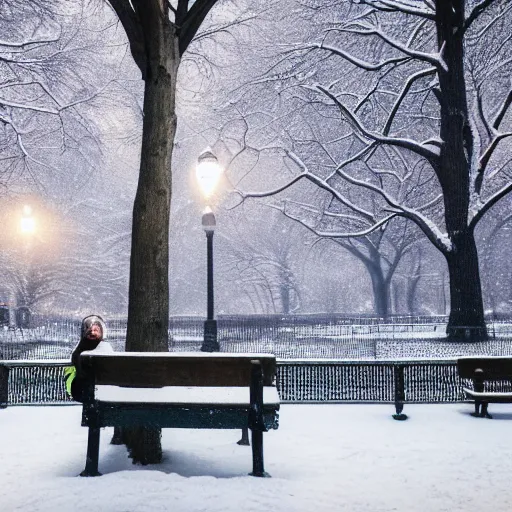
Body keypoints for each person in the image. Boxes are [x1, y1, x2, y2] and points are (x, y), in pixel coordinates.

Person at [64, 315, 113, 402]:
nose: (93, 333)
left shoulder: (80, 349)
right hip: (103, 390)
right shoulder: (106, 347)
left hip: (83, 392)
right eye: (90, 331)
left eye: (95, 330)